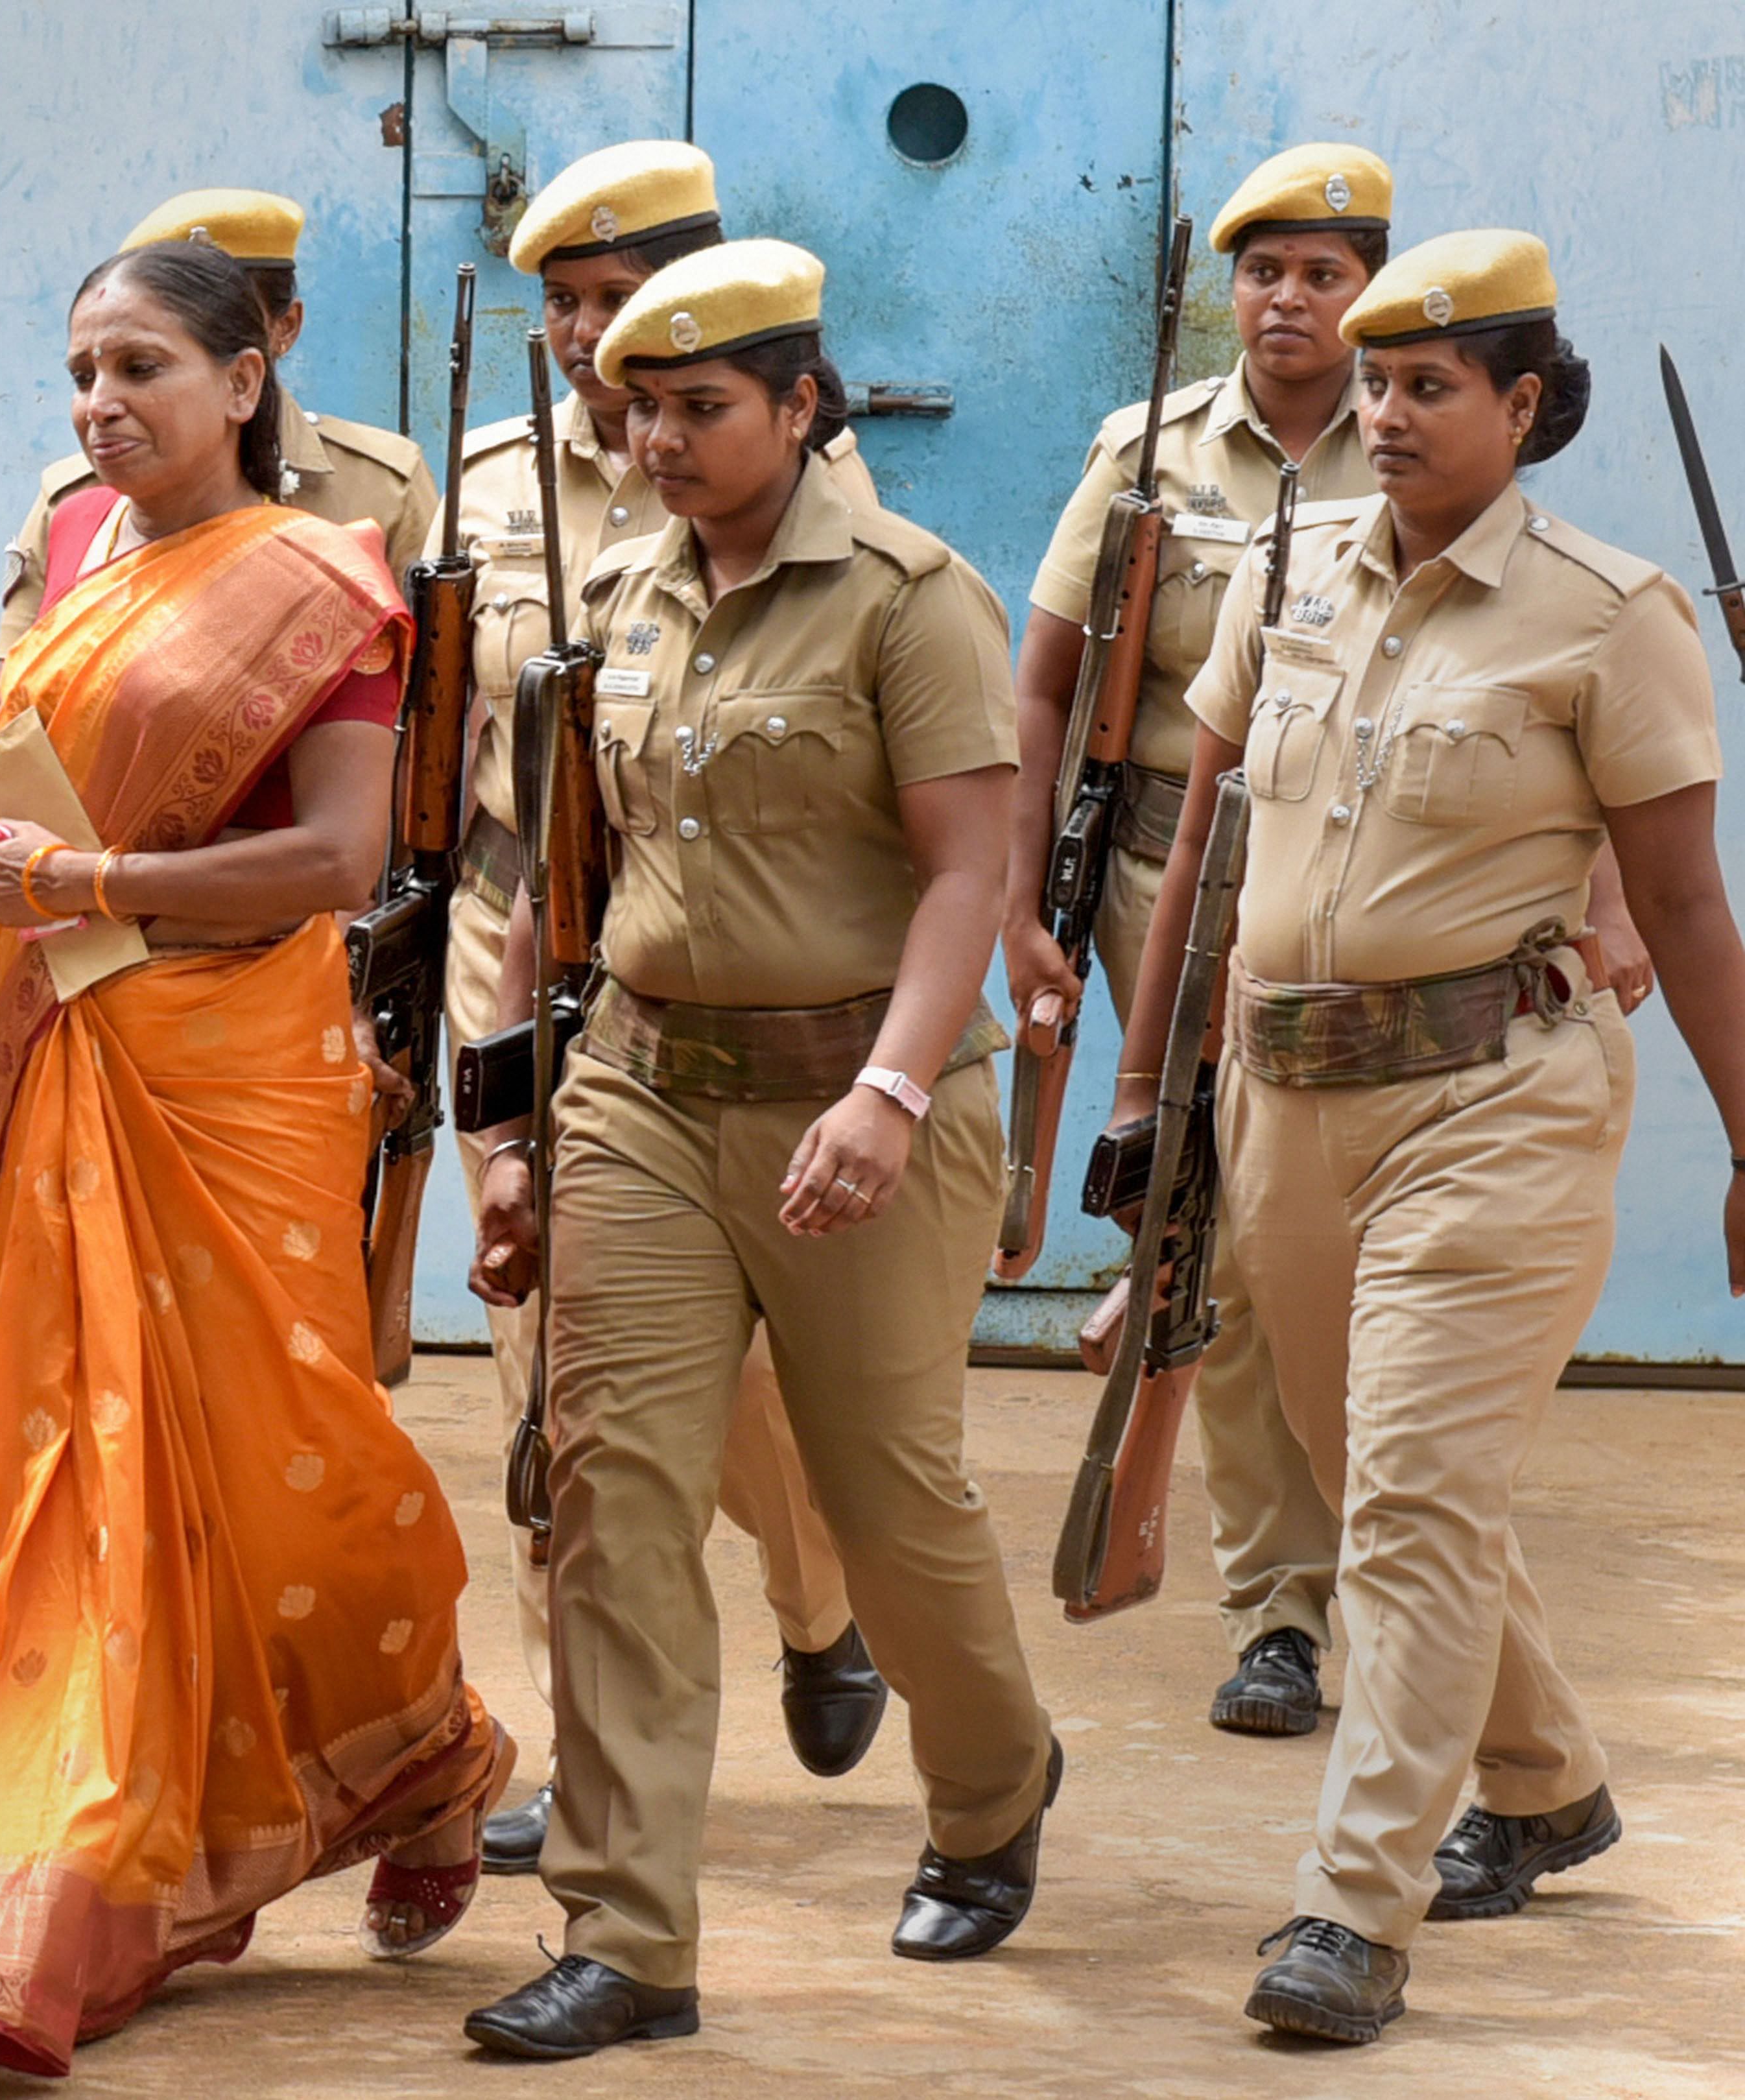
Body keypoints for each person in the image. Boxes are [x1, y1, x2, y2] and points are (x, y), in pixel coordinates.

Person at [0, 237, 512, 2075]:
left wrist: (91, 880)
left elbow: (342, 862)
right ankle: (65, 1870)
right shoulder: (70, 553)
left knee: (290, 1467)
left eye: (139, 367)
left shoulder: (318, 582)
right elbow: (55, 786)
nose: (101, 403)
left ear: (244, 383)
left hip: (235, 1068)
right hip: (67, 1048)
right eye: (80, 372)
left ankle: (422, 1741)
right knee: (73, 1476)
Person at [1108, 230, 1745, 2045]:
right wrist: (1152, 1091)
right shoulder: (1286, 576)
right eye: (1376, 384)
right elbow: (1206, 860)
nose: (1382, 412)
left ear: (1523, 403)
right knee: (1376, 1460)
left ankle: (1351, 1903)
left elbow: (1689, 907)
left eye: (1428, 384)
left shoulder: (1609, 614)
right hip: (1290, 1096)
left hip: (1499, 1101)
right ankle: (1545, 1775)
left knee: (1403, 1499)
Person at [461, 240, 1060, 2061]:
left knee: (888, 1495)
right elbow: (565, 886)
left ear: (804, 406)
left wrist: (889, 1090)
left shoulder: (907, 595)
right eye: (639, 406)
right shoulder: (620, 600)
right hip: (640, 1091)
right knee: (606, 1486)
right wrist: (512, 1129)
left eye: (704, 408)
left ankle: (989, 1782)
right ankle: (628, 1926)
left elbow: (971, 865)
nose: (660, 439)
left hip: (859, 1093)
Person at [453, 138, 885, 1879]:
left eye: (614, 301)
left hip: (702, 954)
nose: (583, 339)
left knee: (734, 1388)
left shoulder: (806, 482)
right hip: (516, 924)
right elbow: (436, 730)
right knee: (553, 1385)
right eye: (560, 304)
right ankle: (597, 1762)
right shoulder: (491, 483)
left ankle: (814, 1586)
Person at [1012, 145, 1392, 1738]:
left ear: (1368, 288)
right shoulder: (1144, 453)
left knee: (1304, 1240)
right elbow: (1041, 683)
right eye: (1262, 270)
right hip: (1157, 877)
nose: (1286, 298)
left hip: (1344, 890)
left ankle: (1360, 1562)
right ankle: (1280, 1608)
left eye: (1320, 271)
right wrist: (1031, 903)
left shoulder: (1416, 441)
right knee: (1210, 1225)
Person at [0, 186, 435, 661]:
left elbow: (428, 688)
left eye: (233, 315)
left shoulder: (383, 485)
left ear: (283, 329)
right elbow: (22, 705)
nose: (103, 406)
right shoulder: (78, 505)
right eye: (83, 378)